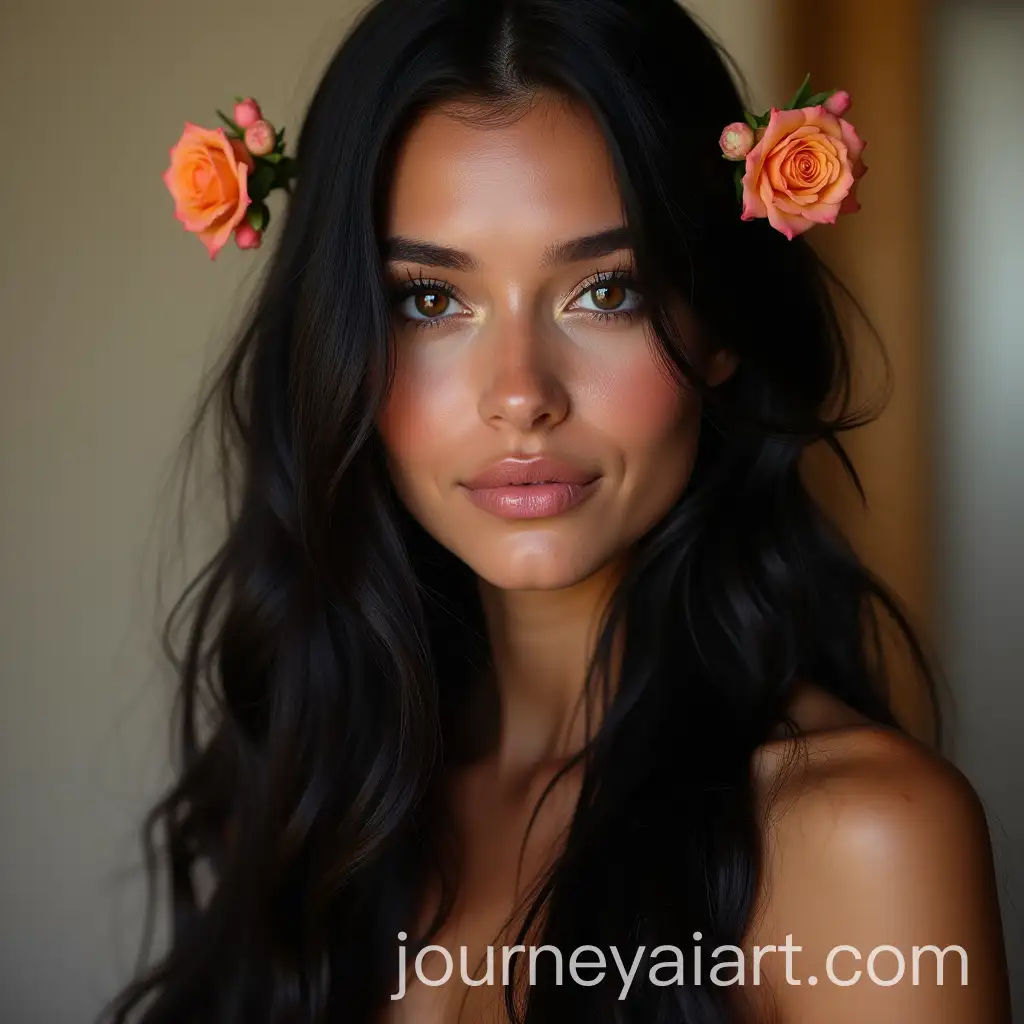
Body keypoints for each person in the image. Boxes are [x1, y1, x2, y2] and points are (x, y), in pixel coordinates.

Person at [105, 0, 1011, 1021]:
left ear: (717, 325)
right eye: (429, 300)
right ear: (337, 343)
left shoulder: (859, 836)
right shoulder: (305, 810)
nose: (521, 394)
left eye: (607, 291)